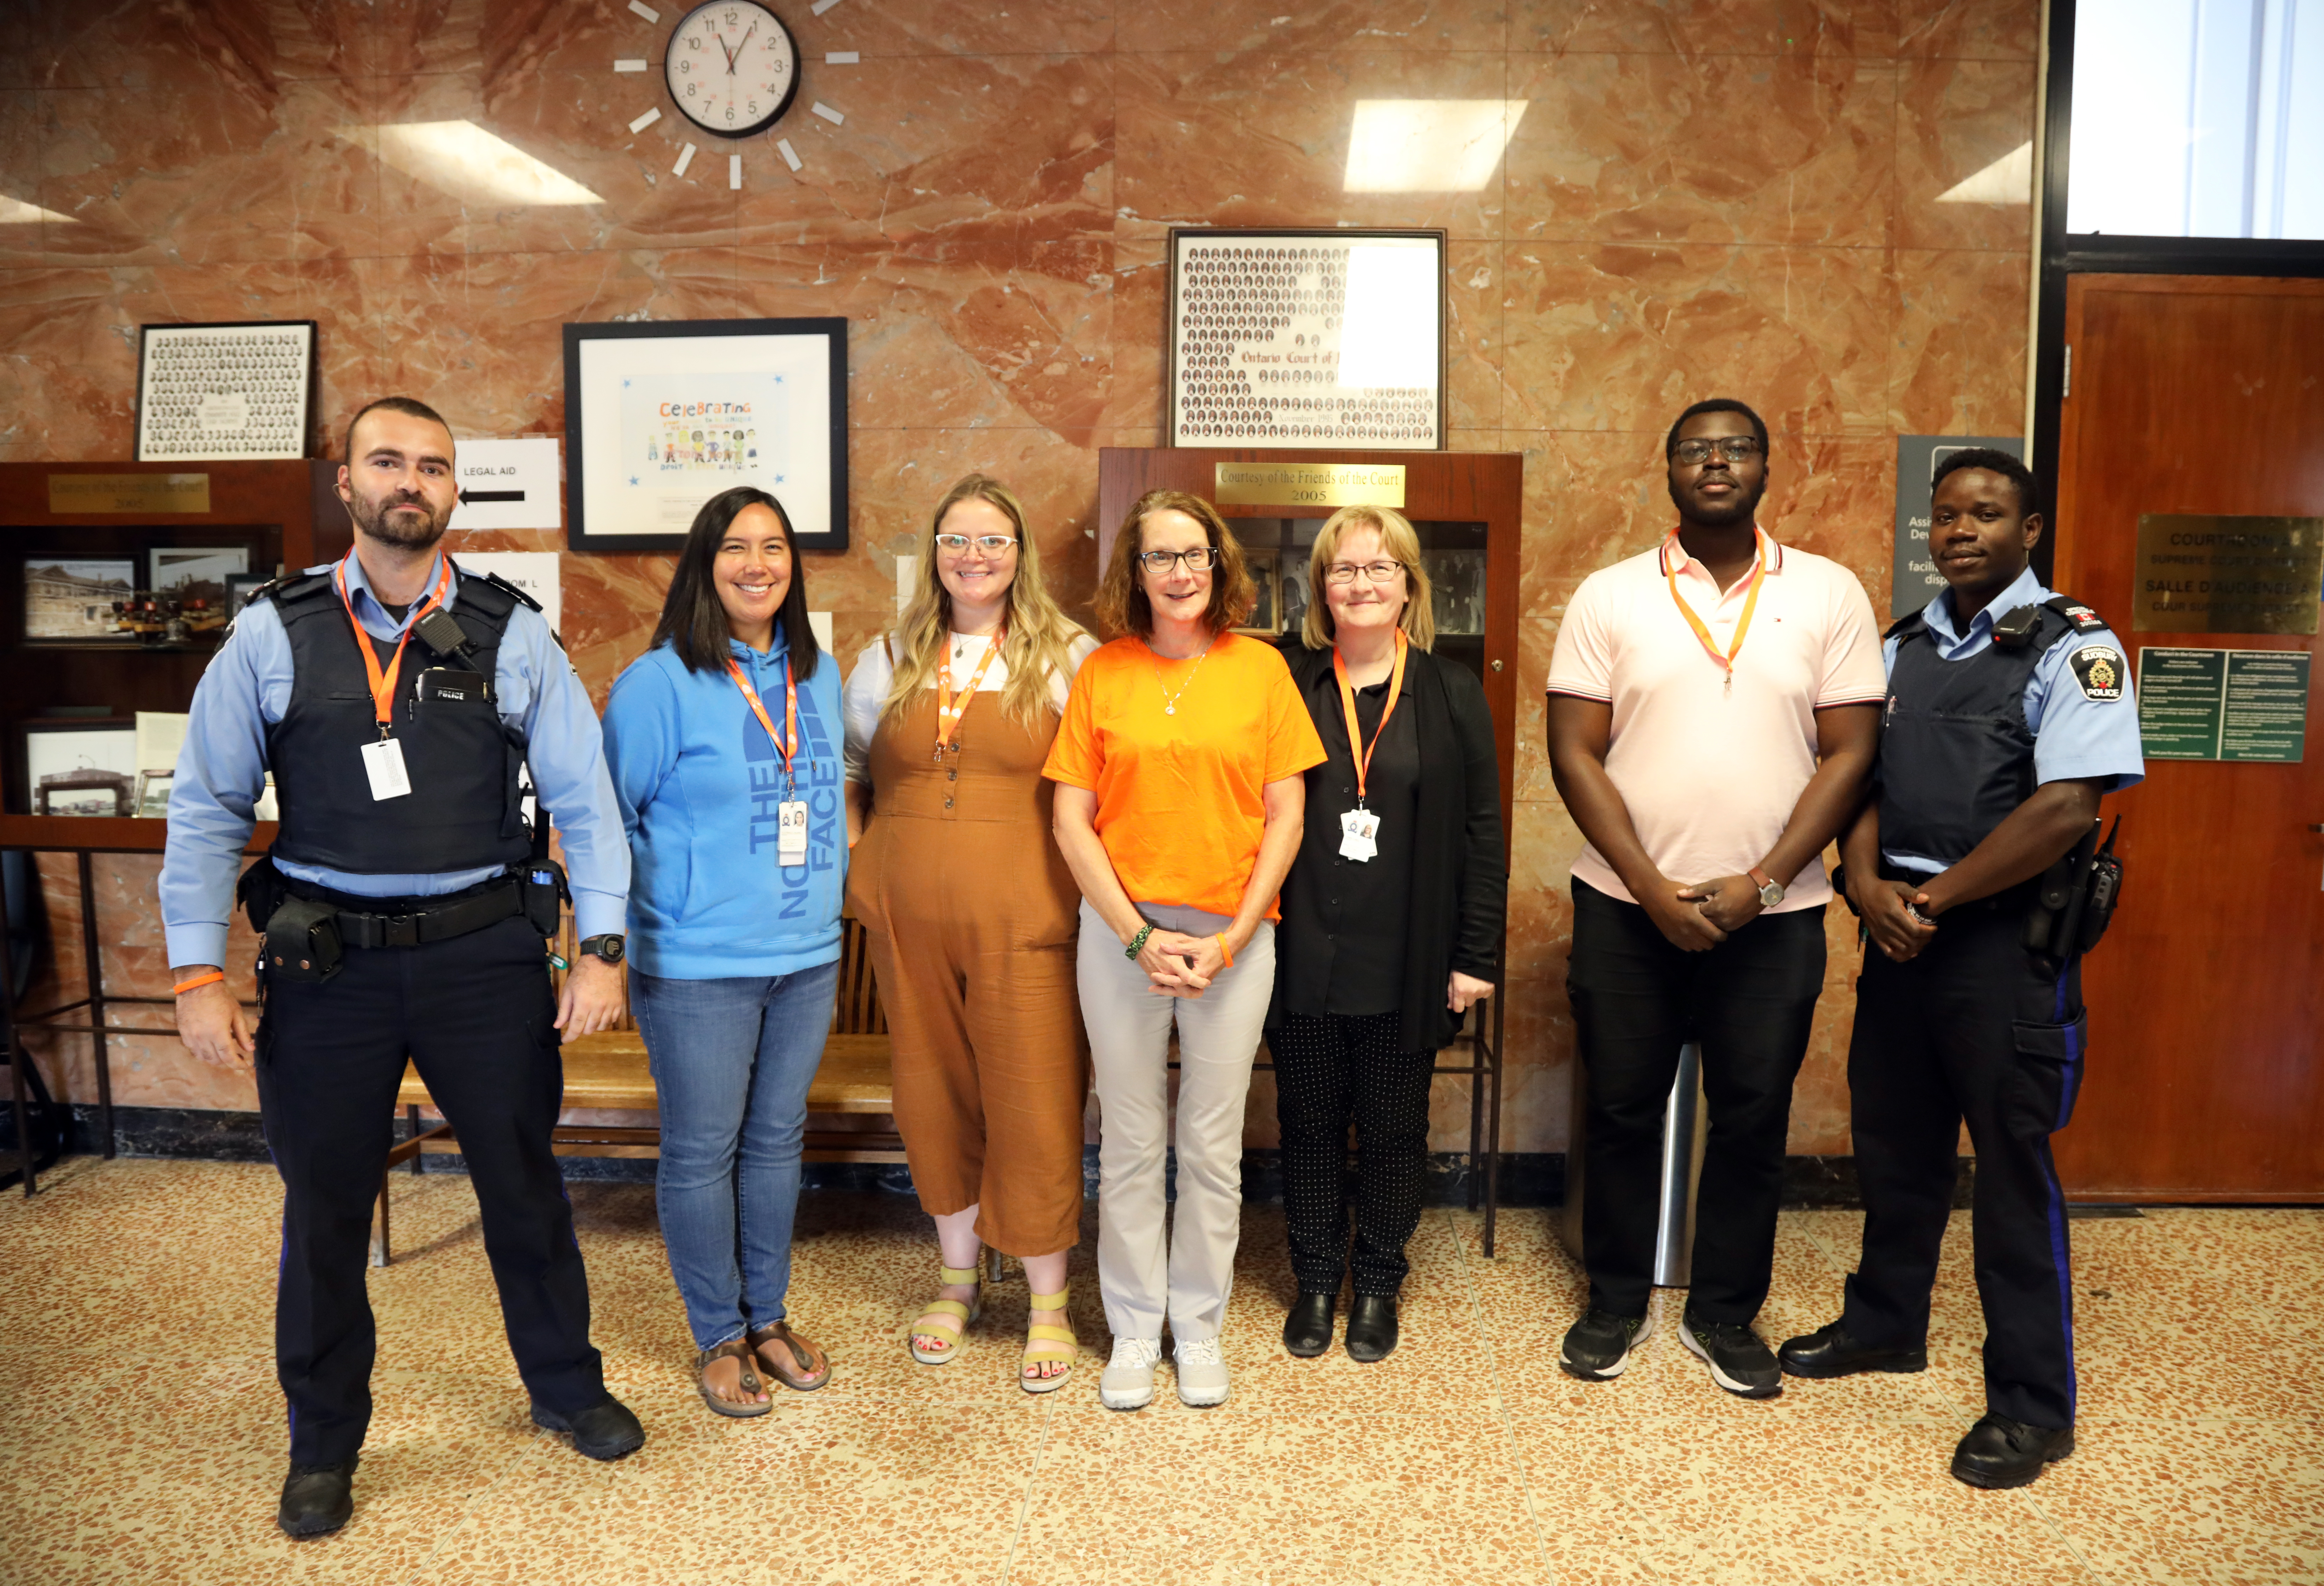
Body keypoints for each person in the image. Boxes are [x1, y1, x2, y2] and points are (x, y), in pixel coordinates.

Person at [162, 397, 640, 1539]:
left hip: (485, 960)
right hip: (328, 971)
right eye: (388, 461)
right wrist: (194, 974)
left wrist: (603, 951)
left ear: (452, 491)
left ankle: (567, 1389)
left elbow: (588, 801)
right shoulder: (271, 636)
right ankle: (323, 1443)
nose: (409, 482)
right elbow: (207, 810)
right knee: (324, 1211)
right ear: (348, 482)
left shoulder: (511, 629)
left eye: (432, 465)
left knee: (524, 1188)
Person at [1779, 449, 2143, 1488]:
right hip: (1897, 936)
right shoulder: (1901, 648)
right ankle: (1885, 1324)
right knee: (1894, 1152)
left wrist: (1932, 901)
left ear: (2029, 531)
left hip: (1998, 951)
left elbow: (2065, 806)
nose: (1960, 531)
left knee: (2009, 1174)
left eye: (1985, 515)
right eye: (1945, 516)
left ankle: (2031, 1406)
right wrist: (1866, 890)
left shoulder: (2074, 649)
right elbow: (1856, 781)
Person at [1545, 398, 1885, 1398]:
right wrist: (1648, 887)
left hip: (1774, 917)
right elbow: (1572, 751)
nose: (1716, 463)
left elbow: (1853, 750)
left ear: (1766, 469)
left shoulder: (1827, 594)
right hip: (1624, 908)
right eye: (1695, 450)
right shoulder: (1610, 596)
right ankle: (1612, 1302)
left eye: (1735, 448)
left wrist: (1769, 877)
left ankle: (1724, 1312)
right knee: (1618, 1109)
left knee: (1751, 1116)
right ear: (1667, 472)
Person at [1043, 489, 1325, 1410]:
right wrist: (1134, 936)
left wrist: (1234, 935)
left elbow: (1288, 814)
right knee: (1127, 1138)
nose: (1179, 572)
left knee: (1210, 1142)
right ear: (1136, 572)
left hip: (1233, 935)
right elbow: (1070, 818)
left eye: (1194, 555)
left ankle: (1197, 1327)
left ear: (1218, 565)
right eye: (1160, 557)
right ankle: (1133, 1328)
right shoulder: (1103, 674)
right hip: (1122, 933)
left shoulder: (1261, 672)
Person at [842, 473, 1099, 1392]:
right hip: (908, 928)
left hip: (1030, 925)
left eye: (993, 540)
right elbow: (849, 770)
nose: (975, 556)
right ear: (935, 553)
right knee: (930, 1099)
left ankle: (1046, 1301)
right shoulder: (888, 655)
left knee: (1033, 1102)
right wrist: (862, 870)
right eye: (957, 540)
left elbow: (1103, 791)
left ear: (1020, 554)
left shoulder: (1070, 655)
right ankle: (955, 1280)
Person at [601, 486, 846, 1419]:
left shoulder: (816, 674)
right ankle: (717, 1332)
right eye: (737, 548)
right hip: (697, 962)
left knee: (777, 1143)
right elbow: (606, 822)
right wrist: (603, 948)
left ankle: (768, 1318)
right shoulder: (657, 684)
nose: (758, 564)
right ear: (705, 565)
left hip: (807, 955)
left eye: (775, 547)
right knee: (703, 1150)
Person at [1267, 506, 1506, 1363]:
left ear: (1410, 584)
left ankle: (1376, 1282)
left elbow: (1484, 829)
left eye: (1380, 568)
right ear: (1320, 587)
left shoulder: (1450, 691)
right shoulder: (1288, 682)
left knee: (1397, 1126)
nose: (1361, 584)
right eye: (1343, 570)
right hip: (1301, 956)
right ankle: (1316, 1278)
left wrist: (1474, 957)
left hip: (1408, 957)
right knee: (1309, 1121)